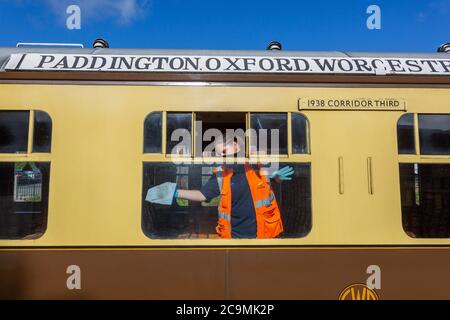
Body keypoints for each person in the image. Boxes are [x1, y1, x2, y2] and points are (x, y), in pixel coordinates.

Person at [146, 135, 294, 239]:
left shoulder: (258, 164)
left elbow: (274, 178)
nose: (221, 156)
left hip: (265, 235)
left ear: (236, 145)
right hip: (234, 237)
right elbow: (202, 195)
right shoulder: (221, 175)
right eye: (218, 154)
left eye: (223, 152)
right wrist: (175, 192)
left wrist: (277, 178)